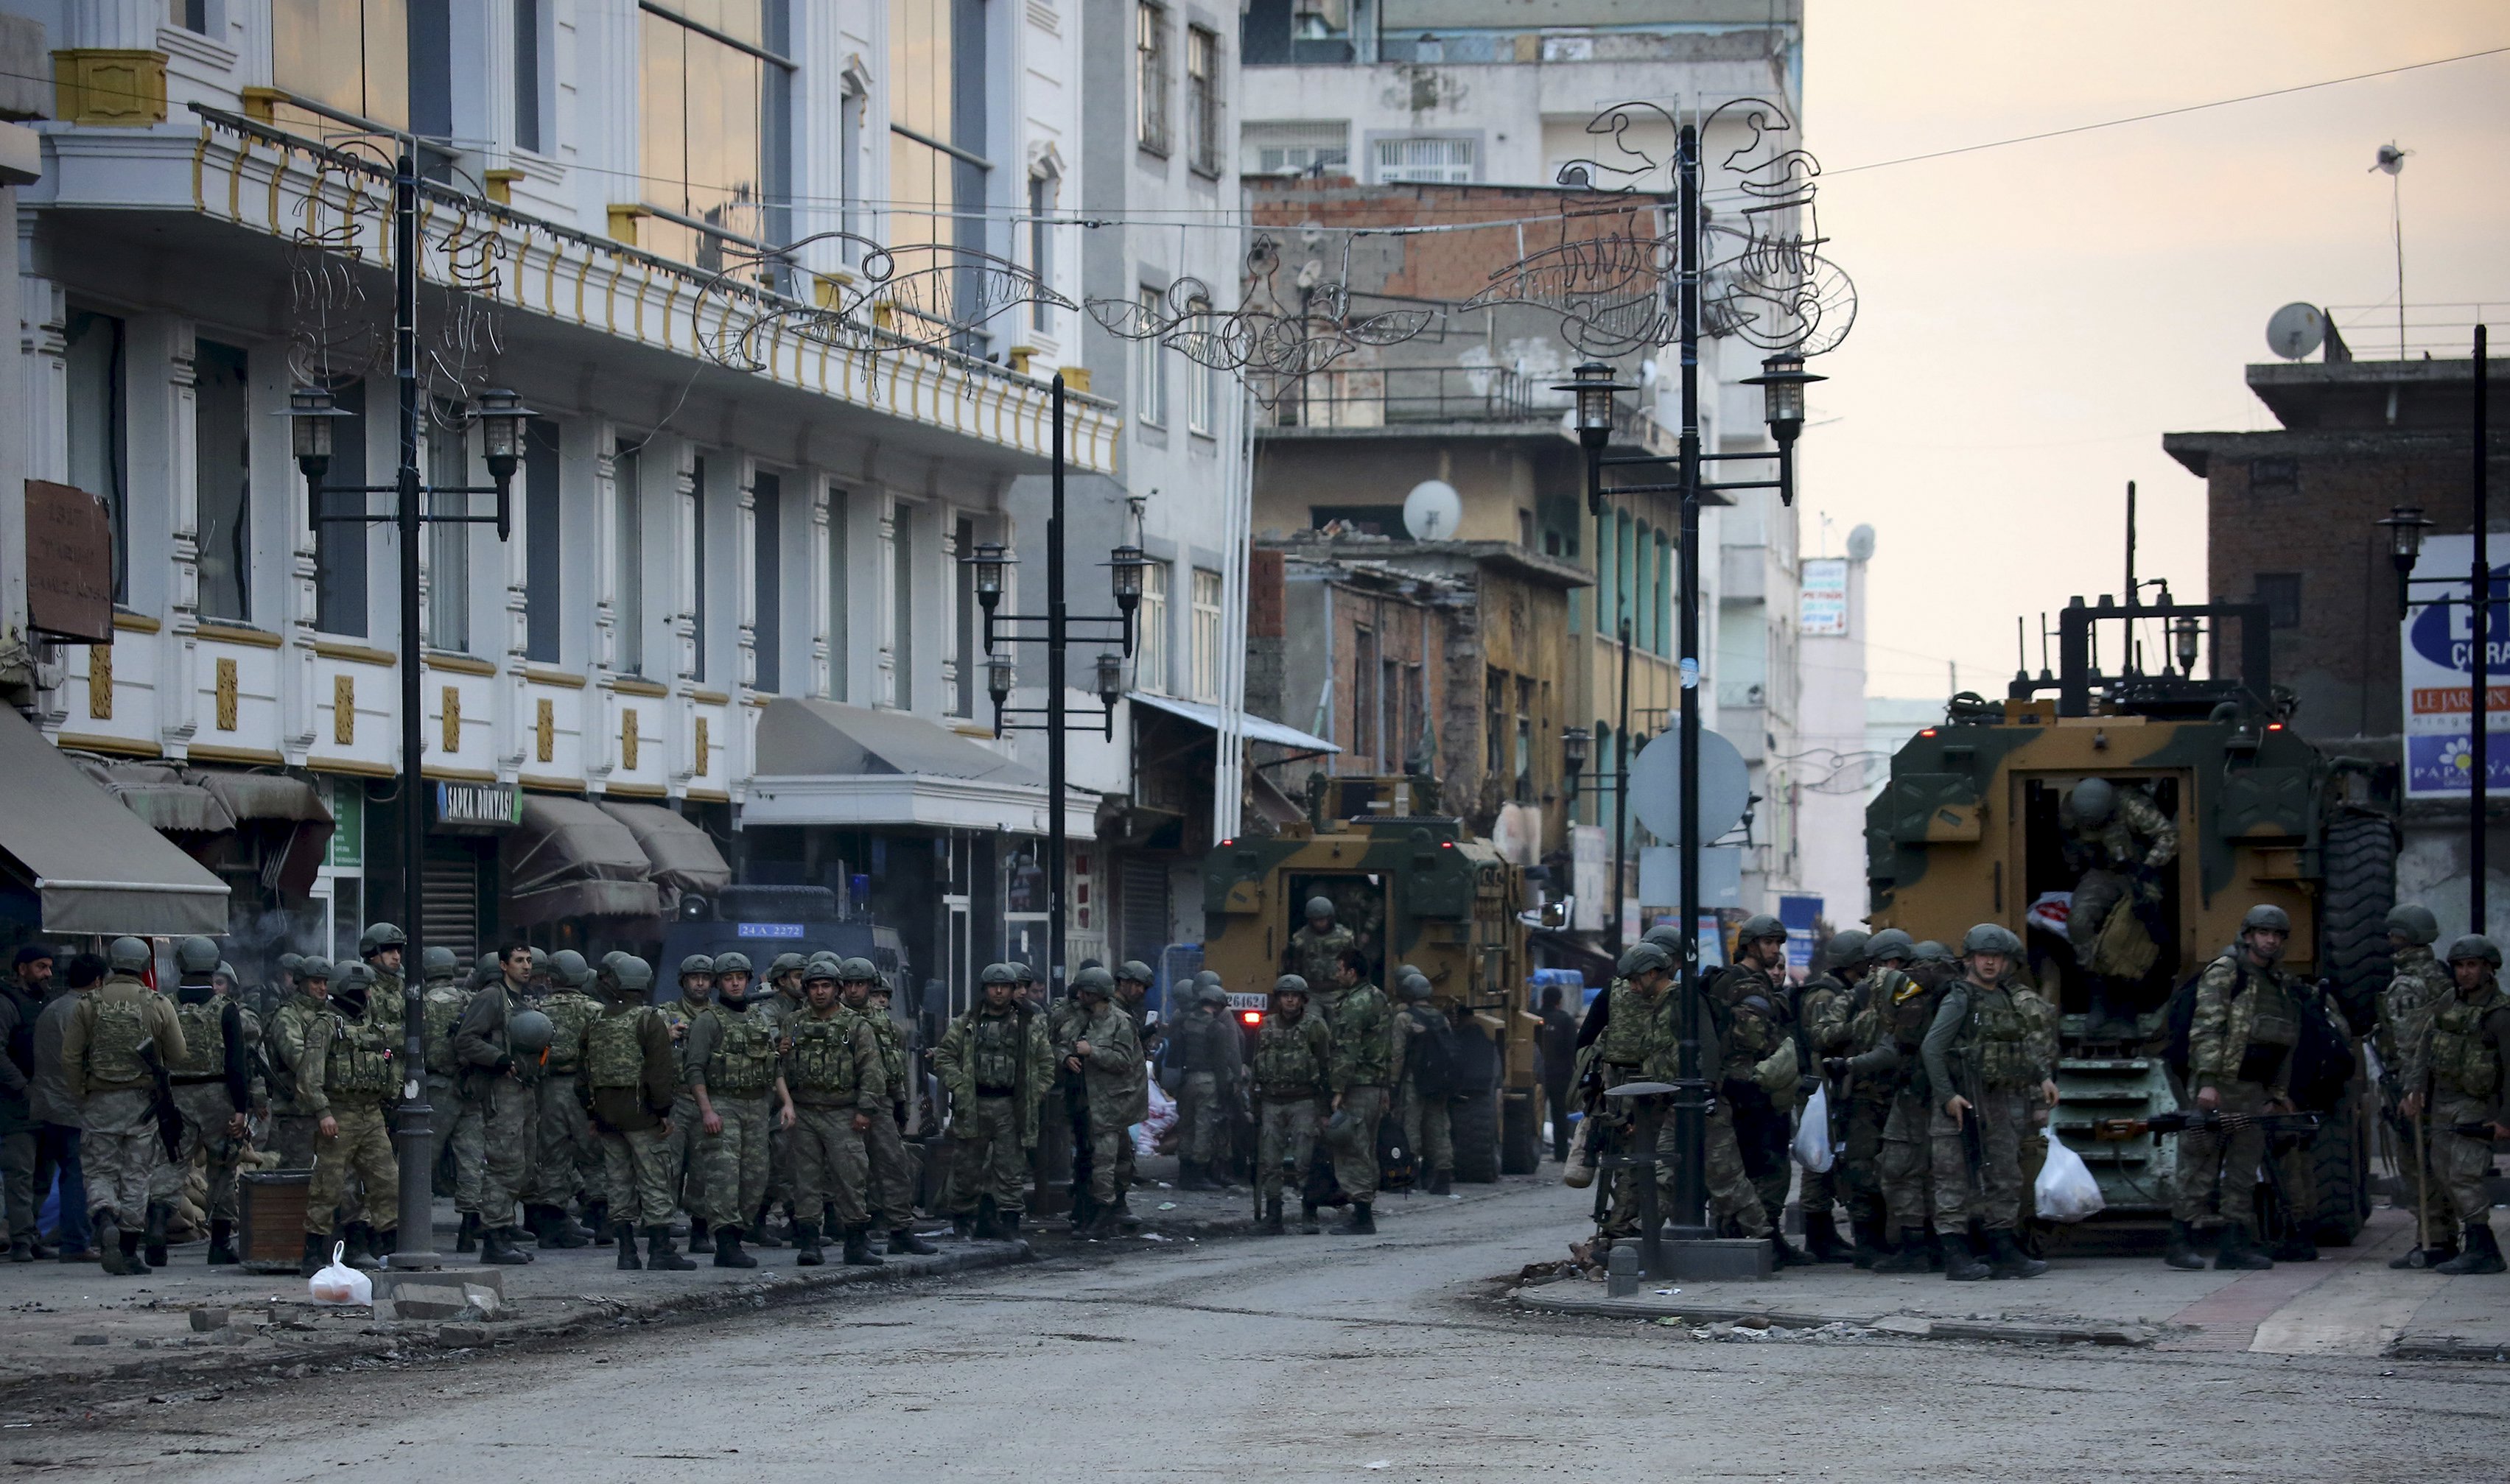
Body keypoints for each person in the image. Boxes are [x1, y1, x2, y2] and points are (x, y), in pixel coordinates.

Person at [2170, 905, 2304, 1272]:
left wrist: (2277, 1092)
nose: (2270, 940)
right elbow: (2206, 1028)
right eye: (2263, 933)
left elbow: (2283, 1042)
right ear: (2248, 935)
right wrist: (2208, 1082)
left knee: (2243, 1170)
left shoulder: (2278, 983)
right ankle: (2180, 1240)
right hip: (2219, 1085)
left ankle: (2233, 1244)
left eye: (2276, 935)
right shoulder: (2226, 972)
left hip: (2253, 1090)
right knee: (2200, 1165)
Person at [1921, 924, 2055, 1281]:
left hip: (1998, 1101)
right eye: (1984, 956)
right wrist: (1948, 1096)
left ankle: (2003, 1249)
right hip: (1962, 1102)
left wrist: (2042, 1076)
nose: (1991, 963)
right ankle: (1955, 1254)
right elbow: (1932, 1049)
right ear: (1970, 958)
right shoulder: (1959, 997)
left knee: (2005, 1176)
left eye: (1997, 957)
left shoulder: (2005, 997)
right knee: (1953, 1180)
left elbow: (2020, 1044)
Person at [62, 937, 186, 1277]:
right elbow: (178, 1054)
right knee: (137, 1174)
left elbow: (71, 1056)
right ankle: (129, 1250)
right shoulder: (157, 1003)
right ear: (147, 966)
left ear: (111, 964)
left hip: (99, 1101)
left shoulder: (87, 1004)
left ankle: (104, 1218)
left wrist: (81, 1093)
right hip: (141, 1103)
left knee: (100, 1171)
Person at [2399, 935, 2510, 1275]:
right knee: (2441, 1172)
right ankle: (2442, 1244)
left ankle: (2483, 1248)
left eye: (2472, 965)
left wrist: (2505, 1118)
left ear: (2488, 969)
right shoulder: (2449, 1002)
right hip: (2443, 1102)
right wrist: (2414, 1088)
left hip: (2477, 1104)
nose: (2465, 973)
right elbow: (2425, 1047)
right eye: (2460, 966)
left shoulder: (2500, 1015)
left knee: (2464, 1175)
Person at [578, 954, 695, 1271]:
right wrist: (664, 1111)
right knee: (655, 1179)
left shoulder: (597, 1019)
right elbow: (660, 1070)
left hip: (606, 1116)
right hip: (643, 1116)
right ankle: (660, 1251)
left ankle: (626, 1253)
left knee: (618, 1182)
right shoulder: (649, 1020)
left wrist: (592, 1114)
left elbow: (584, 1070)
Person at [684, 951, 794, 1268]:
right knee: (724, 1176)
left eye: (740, 978)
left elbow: (773, 1067)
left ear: (748, 980)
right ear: (719, 983)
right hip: (723, 1104)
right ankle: (726, 1243)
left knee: (755, 1178)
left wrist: (786, 1103)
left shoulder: (757, 1019)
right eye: (729, 979)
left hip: (757, 1107)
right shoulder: (708, 1021)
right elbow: (694, 1070)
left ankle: (740, 1231)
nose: (735, 984)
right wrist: (707, 1111)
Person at [934, 963, 1051, 1239]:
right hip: (974, 1103)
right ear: (984, 989)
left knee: (1010, 1168)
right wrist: (960, 1084)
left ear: (1013, 990)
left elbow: (1046, 1063)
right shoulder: (967, 1022)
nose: (998, 992)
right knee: (966, 1166)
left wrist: (1036, 1092)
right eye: (993, 987)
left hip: (1012, 1106)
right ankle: (962, 1220)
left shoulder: (1030, 1023)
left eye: (1005, 987)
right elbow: (944, 1056)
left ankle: (1010, 1221)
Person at [153, 936, 250, 1266]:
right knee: (223, 1167)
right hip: (217, 1095)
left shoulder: (164, 1003)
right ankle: (220, 1244)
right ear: (213, 967)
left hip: (175, 1093)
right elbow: (237, 1063)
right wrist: (241, 1107)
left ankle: (155, 1233)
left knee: (170, 1163)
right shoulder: (226, 1009)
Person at [1708, 916, 1801, 1262]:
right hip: (1742, 1087)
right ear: (1750, 945)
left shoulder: (1755, 982)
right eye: (1768, 943)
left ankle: (1765, 1239)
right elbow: (1750, 1037)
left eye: (1778, 943)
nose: (1775, 950)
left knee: (1767, 1166)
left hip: (1756, 1086)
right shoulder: (1739, 983)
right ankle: (1745, 1241)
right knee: (1751, 1169)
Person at [298, 962, 400, 1274]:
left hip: (370, 1113)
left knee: (387, 1181)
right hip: (339, 1114)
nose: (369, 994)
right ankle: (313, 1252)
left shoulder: (372, 1025)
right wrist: (323, 1112)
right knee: (328, 1185)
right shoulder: (325, 1025)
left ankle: (391, 1246)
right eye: (365, 990)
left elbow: (388, 1065)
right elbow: (309, 1077)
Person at [783, 958, 886, 1266]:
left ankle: (855, 1241)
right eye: (813, 986)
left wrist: (865, 1109)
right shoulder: (794, 1022)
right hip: (803, 1112)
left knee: (851, 1176)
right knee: (805, 1181)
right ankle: (810, 1243)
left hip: (843, 1112)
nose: (819, 992)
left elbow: (871, 1069)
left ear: (837, 989)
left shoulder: (856, 1025)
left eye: (826, 986)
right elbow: (780, 1067)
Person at [2061, 778, 2178, 1037]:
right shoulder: (2073, 809)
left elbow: (2168, 836)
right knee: (2078, 921)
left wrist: (2148, 867)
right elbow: (2070, 845)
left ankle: (2128, 1004)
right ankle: (2100, 997)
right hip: (2104, 873)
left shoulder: (2132, 805)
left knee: (2133, 931)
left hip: (2141, 873)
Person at [454, 943, 542, 1266]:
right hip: (500, 1090)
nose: (526, 966)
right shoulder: (491, 997)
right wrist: (499, 1059)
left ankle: (504, 1231)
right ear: (503, 965)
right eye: (519, 961)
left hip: (524, 1089)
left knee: (522, 1165)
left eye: (529, 960)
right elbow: (465, 1040)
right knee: (502, 1164)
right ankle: (493, 1237)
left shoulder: (524, 999)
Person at [2378, 904, 2455, 1267]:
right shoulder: (2441, 975)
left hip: (2416, 1086)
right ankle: (2442, 1236)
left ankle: (2432, 1240)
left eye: (2394, 934)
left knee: (2416, 1166)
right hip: (2441, 1085)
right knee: (2436, 1163)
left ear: (2404, 937)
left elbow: (2411, 1045)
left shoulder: (2406, 984)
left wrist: (2411, 1092)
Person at [847, 962, 937, 1255]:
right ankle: (853, 1231)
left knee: (895, 1166)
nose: (857, 990)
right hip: (844, 1103)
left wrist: (901, 1103)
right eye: (851, 984)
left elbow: (894, 1067)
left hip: (881, 1103)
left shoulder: (887, 1025)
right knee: (850, 1170)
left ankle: (900, 1229)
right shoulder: (836, 1020)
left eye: (865, 986)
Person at [1795, 929, 1869, 1263]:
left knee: (1826, 1158)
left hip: (1828, 1085)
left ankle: (1822, 1234)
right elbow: (1822, 1040)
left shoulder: (1833, 991)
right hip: (1823, 1088)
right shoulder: (1826, 996)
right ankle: (1818, 1234)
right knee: (1818, 1160)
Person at [526, 949, 603, 1248]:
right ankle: (601, 1215)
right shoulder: (595, 1010)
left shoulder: (538, 1008)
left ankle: (553, 1221)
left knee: (554, 1155)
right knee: (595, 1153)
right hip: (585, 1087)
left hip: (547, 1088)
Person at [1062, 968, 1146, 1239]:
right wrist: (1065, 1056)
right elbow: (1059, 1043)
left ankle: (1105, 1211)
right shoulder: (1078, 1017)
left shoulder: (1120, 1022)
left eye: (1086, 993)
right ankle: (1089, 1211)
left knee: (1106, 1162)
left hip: (1111, 1103)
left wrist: (1092, 1052)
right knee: (1092, 1158)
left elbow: (1123, 1061)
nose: (1081, 997)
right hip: (1085, 1100)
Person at [1252, 975, 1333, 1234]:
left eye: (1295, 995)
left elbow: (1325, 1066)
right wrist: (1254, 1104)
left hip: (1304, 1101)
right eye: (1285, 995)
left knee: (1304, 1161)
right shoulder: (1265, 1026)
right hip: (1271, 1101)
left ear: (1303, 1000)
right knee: (1270, 1162)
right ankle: (1273, 1216)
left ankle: (1309, 1213)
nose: (1289, 999)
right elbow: (1256, 1064)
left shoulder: (1315, 1027)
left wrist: (1325, 1109)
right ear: (1278, 998)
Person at [417, 947, 485, 1253]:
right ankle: (469, 1230)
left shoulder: (420, 1004)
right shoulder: (469, 1001)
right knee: (471, 1159)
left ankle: (413, 1227)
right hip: (469, 1086)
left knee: (422, 1159)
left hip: (436, 1087)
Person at [30, 952, 96, 1262]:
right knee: (76, 1175)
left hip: (46, 1105)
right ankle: (75, 1243)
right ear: (97, 981)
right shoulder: (84, 1012)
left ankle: (30, 1238)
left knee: (48, 1176)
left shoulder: (52, 1008)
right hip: (73, 1108)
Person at [1325, 948, 1394, 1234]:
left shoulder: (1354, 1004)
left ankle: (1363, 1215)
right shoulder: (1379, 997)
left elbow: (1347, 1050)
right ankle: (1364, 1209)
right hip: (1376, 1085)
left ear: (1351, 972)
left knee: (1352, 1148)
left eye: (1339, 969)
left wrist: (1338, 1089)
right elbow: (1386, 1046)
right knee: (1367, 1148)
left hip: (1358, 1086)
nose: (1336, 974)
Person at [1163, 982, 1240, 1192]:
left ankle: (1185, 1173)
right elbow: (1221, 1064)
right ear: (1218, 1004)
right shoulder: (1218, 1027)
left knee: (1186, 1127)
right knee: (1204, 1128)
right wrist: (1226, 1090)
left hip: (1186, 1081)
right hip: (1208, 1082)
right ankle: (1198, 1175)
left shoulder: (1186, 1022)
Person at [660, 954, 714, 1253]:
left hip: (707, 1100)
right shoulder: (665, 1013)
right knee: (668, 1167)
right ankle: (663, 1232)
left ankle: (700, 1230)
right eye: (695, 977)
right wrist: (664, 1037)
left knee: (705, 1170)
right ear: (683, 981)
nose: (700, 983)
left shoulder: (719, 1016)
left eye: (706, 978)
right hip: (676, 1099)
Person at [266, 957, 335, 1171]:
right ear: (301, 982)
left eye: (326, 982)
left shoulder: (331, 1013)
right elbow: (298, 1060)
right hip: (297, 1111)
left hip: (330, 1107)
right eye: (316, 982)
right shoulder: (287, 1015)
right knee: (295, 1174)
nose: (322, 987)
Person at [1389, 972, 1454, 1195]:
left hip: (1412, 1080)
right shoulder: (1441, 1018)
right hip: (1439, 1081)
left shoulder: (1404, 1019)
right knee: (1439, 1128)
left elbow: (1397, 1055)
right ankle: (1443, 1177)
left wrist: (1392, 1083)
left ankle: (1409, 1177)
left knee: (1410, 1126)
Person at [1, 946, 43, 1262]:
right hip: (16, 1105)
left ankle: (33, 1236)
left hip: (44, 1103)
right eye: (41, 967)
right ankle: (21, 1242)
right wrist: (22, 1086)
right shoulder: (7, 1003)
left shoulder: (41, 1003)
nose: (48, 974)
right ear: (22, 969)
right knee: (20, 1176)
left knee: (41, 1175)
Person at [1286, 899, 1356, 1020]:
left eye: (1322, 920)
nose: (1320, 924)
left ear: (1330, 918)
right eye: (1316, 920)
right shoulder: (1301, 938)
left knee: (1338, 1028)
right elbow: (1295, 965)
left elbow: (1354, 962)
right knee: (1312, 1028)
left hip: (1337, 991)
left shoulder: (1345, 937)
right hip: (1312, 992)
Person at [1534, 984, 1578, 1164]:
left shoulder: (1533, 1017)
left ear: (1543, 999)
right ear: (1559, 1001)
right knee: (1559, 1114)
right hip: (1561, 1075)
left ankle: (1534, 1151)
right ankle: (1561, 1154)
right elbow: (1573, 1048)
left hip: (1536, 1075)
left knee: (1535, 1115)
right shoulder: (1566, 1020)